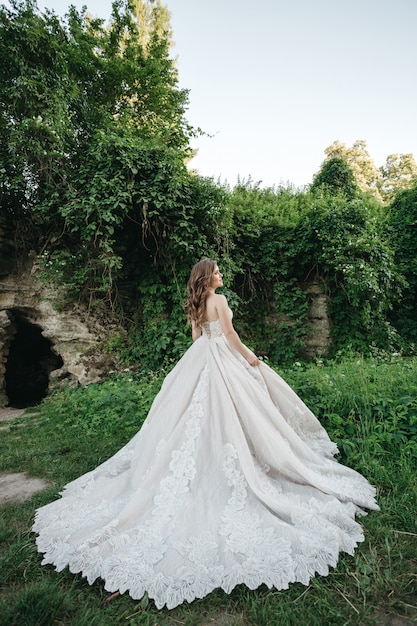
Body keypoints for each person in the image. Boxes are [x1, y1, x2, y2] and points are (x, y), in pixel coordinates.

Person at [33, 258, 379, 610]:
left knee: (190, 417)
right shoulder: (220, 300)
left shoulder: (196, 305)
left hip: (199, 361)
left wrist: (213, 349)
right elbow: (229, 336)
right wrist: (250, 359)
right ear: (208, 278)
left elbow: (198, 338)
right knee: (238, 411)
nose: (221, 274)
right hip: (223, 360)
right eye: (217, 271)